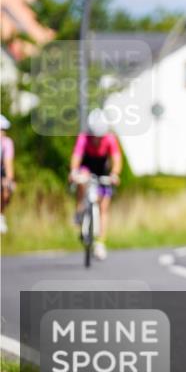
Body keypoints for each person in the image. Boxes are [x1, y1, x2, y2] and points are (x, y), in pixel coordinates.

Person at [69, 109, 122, 260]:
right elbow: (76, 156)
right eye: (94, 136)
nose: (97, 140)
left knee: (104, 207)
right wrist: (73, 171)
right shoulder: (83, 138)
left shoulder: (110, 139)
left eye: (100, 136)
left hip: (103, 169)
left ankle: (100, 243)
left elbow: (116, 159)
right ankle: (79, 211)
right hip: (87, 166)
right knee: (81, 180)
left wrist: (115, 174)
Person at [0, 115, 14, 234]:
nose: (3, 132)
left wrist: (9, 180)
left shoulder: (7, 143)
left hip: (1, 171)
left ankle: (1, 215)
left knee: (6, 187)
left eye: (4, 130)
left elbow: (8, 164)